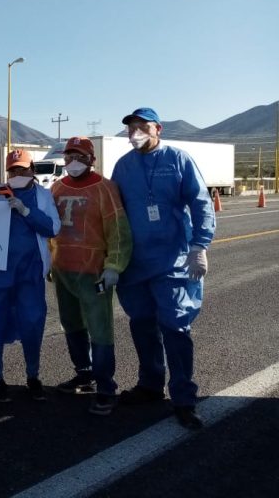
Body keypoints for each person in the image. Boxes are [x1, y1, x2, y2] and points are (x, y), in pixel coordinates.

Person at [111, 108, 216, 429]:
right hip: (135, 263)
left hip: (172, 260)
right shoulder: (124, 166)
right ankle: (150, 385)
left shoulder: (178, 160)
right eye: (131, 129)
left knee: (175, 326)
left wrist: (200, 245)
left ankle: (184, 397)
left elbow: (200, 202)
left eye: (142, 127)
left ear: (158, 129)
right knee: (141, 324)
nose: (136, 133)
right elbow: (112, 213)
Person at [50, 137, 133, 415]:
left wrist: (114, 265)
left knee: (100, 328)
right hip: (64, 269)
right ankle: (84, 373)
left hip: (93, 272)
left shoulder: (105, 188)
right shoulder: (57, 188)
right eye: (69, 156)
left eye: (80, 156)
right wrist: (50, 261)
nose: (73, 161)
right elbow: (49, 230)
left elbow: (118, 231)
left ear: (91, 159)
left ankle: (106, 386)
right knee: (71, 323)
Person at [0, 149, 61, 402]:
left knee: (33, 322)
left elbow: (52, 228)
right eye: (13, 170)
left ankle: (33, 376)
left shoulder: (43, 196)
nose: (18, 174)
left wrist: (26, 211)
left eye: (23, 169)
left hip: (30, 271)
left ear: (32, 170)